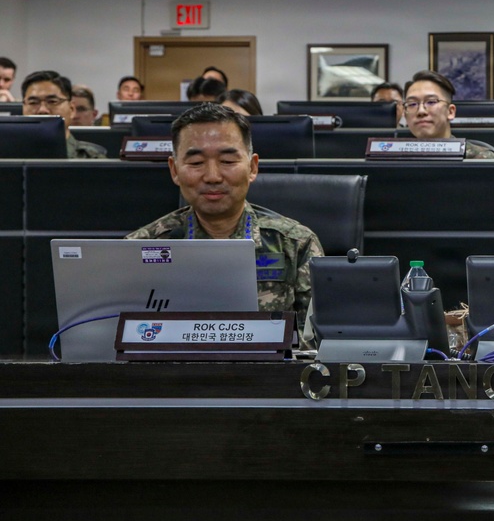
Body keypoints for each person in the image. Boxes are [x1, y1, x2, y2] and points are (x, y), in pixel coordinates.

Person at [126, 104, 323, 331]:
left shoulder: (296, 244)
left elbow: (313, 343)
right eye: (196, 163)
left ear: (252, 167)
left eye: (228, 162)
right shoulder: (141, 248)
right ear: (174, 170)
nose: (212, 176)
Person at [403, 70, 494, 159]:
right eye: (412, 104)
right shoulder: (393, 159)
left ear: (450, 112)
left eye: (431, 102)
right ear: (405, 115)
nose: (421, 111)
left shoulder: (479, 158)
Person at [21, 70, 106, 158]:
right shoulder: (8, 158)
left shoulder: (93, 160)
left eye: (52, 101)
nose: (42, 110)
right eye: (33, 102)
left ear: (72, 110)